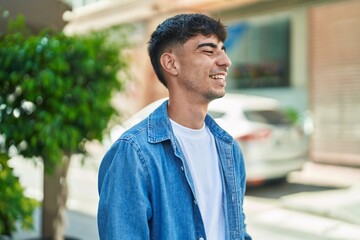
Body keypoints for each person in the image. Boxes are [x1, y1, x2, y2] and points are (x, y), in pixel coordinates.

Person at [97, 13, 252, 240]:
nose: (225, 61)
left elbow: (237, 231)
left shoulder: (229, 149)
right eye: (208, 51)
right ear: (171, 63)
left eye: (223, 50)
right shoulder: (133, 153)